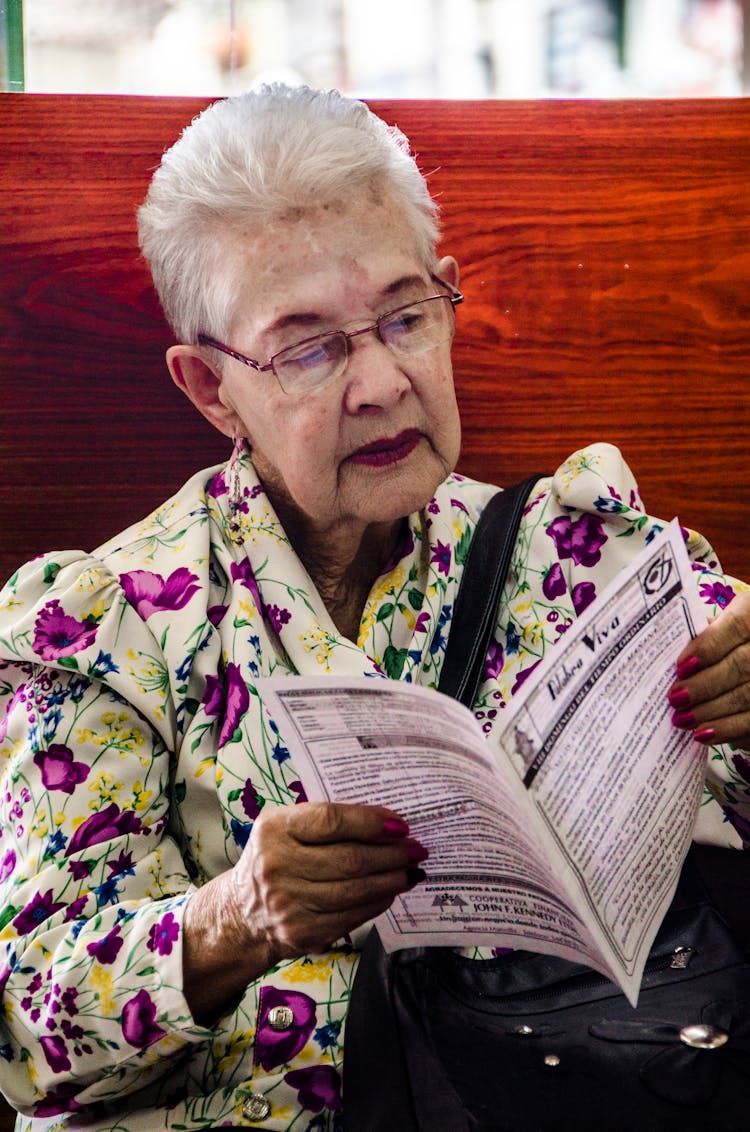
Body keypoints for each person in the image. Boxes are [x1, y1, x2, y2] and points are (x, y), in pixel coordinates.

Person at [0, 84, 747, 1132]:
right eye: (308, 347)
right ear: (211, 389)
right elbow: (27, 1036)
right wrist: (233, 918)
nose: (384, 383)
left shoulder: (585, 554)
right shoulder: (107, 620)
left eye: (405, 316)